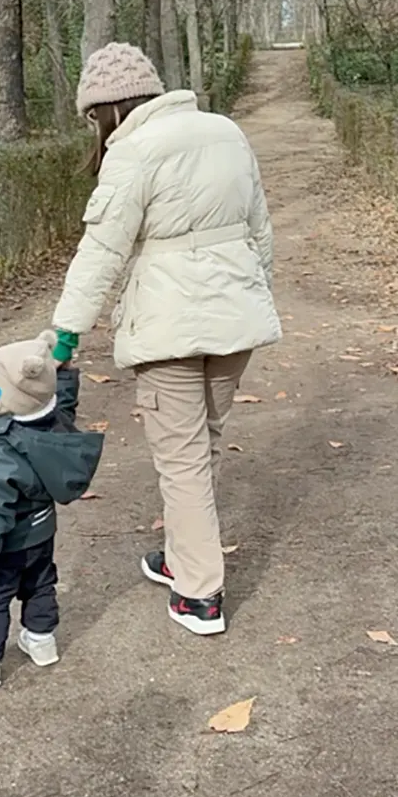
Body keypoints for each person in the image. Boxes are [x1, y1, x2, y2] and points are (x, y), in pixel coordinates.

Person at [51, 43, 281, 636]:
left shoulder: (132, 151)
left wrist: (66, 334)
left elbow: (100, 253)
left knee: (181, 461)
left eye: (92, 118)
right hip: (235, 322)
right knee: (200, 446)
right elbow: (260, 229)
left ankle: (200, 594)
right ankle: (183, 557)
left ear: (109, 109)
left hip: (168, 328)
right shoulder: (226, 131)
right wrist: (256, 295)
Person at [0, 331, 104, 690]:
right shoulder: (50, 425)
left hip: (2, 544)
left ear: (1, 402)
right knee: (39, 583)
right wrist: (61, 375)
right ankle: (41, 639)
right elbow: (61, 403)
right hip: (40, 532)